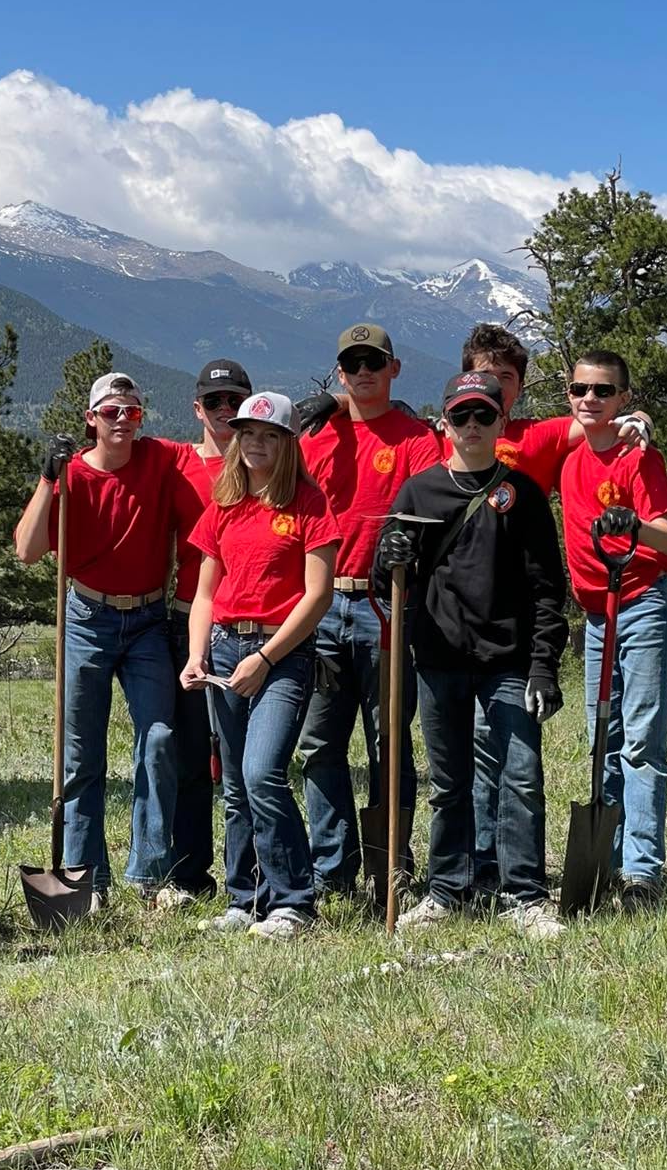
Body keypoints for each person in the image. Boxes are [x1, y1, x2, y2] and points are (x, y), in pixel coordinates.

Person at [459, 323, 651, 901]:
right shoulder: (455, 426)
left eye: (506, 377)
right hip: (455, 613)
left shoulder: (538, 436)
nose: (492, 386)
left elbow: (601, 419)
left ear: (519, 386)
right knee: (468, 749)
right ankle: (475, 865)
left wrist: (637, 421)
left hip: (515, 615)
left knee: (509, 743)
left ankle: (519, 869)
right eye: (483, 374)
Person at [373, 372, 568, 937]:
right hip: (438, 659)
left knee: (521, 775)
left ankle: (524, 894)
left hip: (508, 662)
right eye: (462, 416)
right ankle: (447, 890)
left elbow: (546, 588)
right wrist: (389, 556)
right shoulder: (418, 492)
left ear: (501, 422)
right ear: (445, 425)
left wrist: (543, 664)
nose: (474, 426)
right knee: (449, 781)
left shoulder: (523, 494)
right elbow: (387, 583)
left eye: (484, 415)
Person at [14, 373, 183, 910]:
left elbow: (216, 446)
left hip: (149, 618)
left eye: (132, 412)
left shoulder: (160, 458)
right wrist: (47, 479)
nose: (122, 421)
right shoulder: (71, 476)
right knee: (81, 753)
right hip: (86, 616)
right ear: (91, 419)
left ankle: (149, 874)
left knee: (158, 740)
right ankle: (87, 879)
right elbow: (26, 549)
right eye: (111, 412)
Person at [180, 392, 340, 940]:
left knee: (261, 773)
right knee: (233, 786)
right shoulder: (222, 506)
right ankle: (244, 899)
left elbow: (317, 597)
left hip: (282, 655)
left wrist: (265, 658)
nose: (256, 443)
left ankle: (293, 902)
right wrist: (197, 654)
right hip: (224, 650)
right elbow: (204, 594)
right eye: (248, 433)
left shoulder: (310, 505)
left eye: (270, 435)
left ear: (289, 444)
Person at [298, 323, 441, 897]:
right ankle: (332, 871)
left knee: (389, 741)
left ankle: (391, 864)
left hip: (388, 606)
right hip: (321, 603)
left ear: (394, 369)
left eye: (374, 362)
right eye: (353, 363)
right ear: (339, 372)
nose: (364, 372)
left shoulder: (415, 439)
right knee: (319, 743)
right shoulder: (313, 435)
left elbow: (434, 515)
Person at [559, 350, 667, 911]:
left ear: (623, 399)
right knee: (600, 740)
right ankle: (599, 864)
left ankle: (641, 874)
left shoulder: (640, 459)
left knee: (639, 740)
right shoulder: (570, 455)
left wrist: (635, 525)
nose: (590, 399)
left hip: (640, 603)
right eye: (581, 389)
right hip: (594, 615)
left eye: (603, 391)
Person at [166, 358, 253, 903]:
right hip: (188, 618)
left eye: (235, 402)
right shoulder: (175, 461)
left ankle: (254, 872)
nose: (225, 412)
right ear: (197, 408)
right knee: (192, 755)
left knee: (250, 763)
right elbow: (113, 442)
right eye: (214, 403)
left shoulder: (270, 460)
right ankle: (191, 873)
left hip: (254, 626)